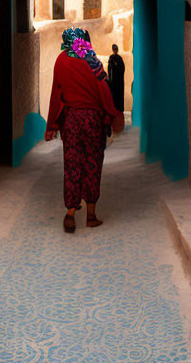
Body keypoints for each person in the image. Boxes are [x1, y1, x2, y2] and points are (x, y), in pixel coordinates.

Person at [46, 28, 124, 233]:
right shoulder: (92, 61)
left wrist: (52, 125)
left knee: (72, 165)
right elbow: (104, 91)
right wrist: (112, 114)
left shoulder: (61, 61)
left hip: (71, 121)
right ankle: (90, 215)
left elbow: (56, 93)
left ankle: (70, 214)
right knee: (92, 164)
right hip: (92, 121)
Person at [107, 44, 126, 113]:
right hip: (115, 80)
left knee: (116, 94)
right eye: (114, 49)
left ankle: (117, 107)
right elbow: (110, 69)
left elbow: (121, 69)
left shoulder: (117, 58)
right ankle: (116, 107)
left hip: (117, 80)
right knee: (116, 94)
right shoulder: (114, 58)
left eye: (115, 49)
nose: (115, 50)